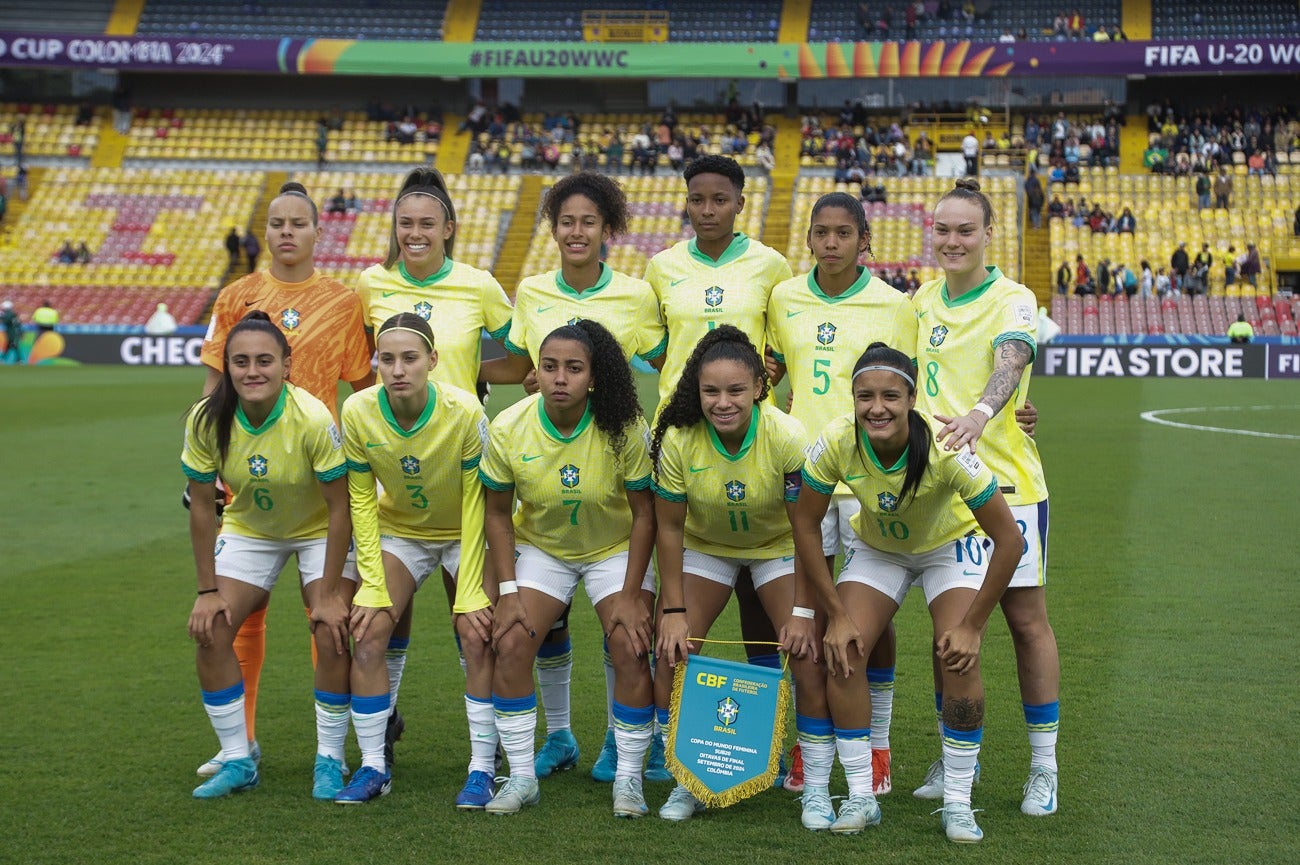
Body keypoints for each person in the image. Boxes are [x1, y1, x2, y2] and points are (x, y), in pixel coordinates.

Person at [792, 341, 1020, 841]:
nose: (877, 408)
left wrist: (972, 626)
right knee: (844, 649)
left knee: (958, 657)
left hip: (947, 545)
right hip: (880, 549)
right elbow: (805, 524)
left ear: (911, 399)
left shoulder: (946, 447)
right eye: (865, 396)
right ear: (852, 399)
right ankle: (861, 796)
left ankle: (958, 802)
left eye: (891, 396)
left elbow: (1010, 540)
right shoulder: (836, 440)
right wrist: (835, 614)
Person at [193, 182, 373, 780]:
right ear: (265, 231)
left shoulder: (342, 301)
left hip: (322, 475)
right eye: (277, 223)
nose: (287, 231)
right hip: (251, 473)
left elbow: (362, 391)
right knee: (241, 616)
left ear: (319, 232)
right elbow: (215, 385)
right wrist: (209, 467)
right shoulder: (236, 296)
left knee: (329, 618)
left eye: (299, 222)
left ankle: (337, 748)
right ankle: (239, 742)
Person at [503, 171, 668, 782]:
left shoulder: (635, 295)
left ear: (607, 230)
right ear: (553, 229)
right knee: (544, 625)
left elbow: (666, 358)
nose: (577, 231)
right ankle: (560, 735)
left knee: (623, 627)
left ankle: (623, 742)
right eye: (566, 221)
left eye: (588, 222)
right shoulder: (530, 292)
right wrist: (537, 378)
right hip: (547, 462)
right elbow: (519, 366)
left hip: (610, 468)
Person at [353, 166, 521, 767]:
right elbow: (364, 363)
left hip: (464, 465)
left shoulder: (478, 285)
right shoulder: (371, 284)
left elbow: (522, 358)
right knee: (384, 618)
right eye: (406, 224)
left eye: (427, 223)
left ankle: (488, 749)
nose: (415, 233)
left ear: (449, 228)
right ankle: (383, 725)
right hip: (401, 470)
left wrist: (472, 373)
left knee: (474, 621)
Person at [642, 154, 797, 784]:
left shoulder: (770, 265)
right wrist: (695, 399)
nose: (707, 210)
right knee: (669, 621)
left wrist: (748, 391)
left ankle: (769, 744)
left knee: (765, 630)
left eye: (719, 199)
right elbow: (659, 350)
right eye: (697, 199)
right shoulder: (662, 267)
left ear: (739, 203)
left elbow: (780, 350)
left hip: (752, 445)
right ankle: (667, 746)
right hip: (686, 442)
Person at [910, 179, 1060, 822]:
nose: (953, 241)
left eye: (965, 230)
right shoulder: (920, 300)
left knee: (1026, 623)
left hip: (1007, 486)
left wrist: (982, 413)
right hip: (937, 489)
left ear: (988, 235)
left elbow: (1011, 359)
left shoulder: (1013, 298)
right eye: (943, 229)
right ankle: (955, 758)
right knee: (947, 630)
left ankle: (1044, 767)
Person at [765, 192, 916, 797]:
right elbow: (773, 371)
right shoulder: (784, 298)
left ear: (864, 240)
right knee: (808, 611)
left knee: (867, 613)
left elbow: (913, 388)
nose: (831, 243)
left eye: (843, 233)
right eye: (821, 232)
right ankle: (810, 745)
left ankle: (876, 744)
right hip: (803, 471)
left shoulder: (894, 305)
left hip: (866, 474)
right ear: (808, 238)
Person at [650, 325, 828, 826]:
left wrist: (802, 612)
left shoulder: (786, 436)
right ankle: (686, 777)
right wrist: (673, 611)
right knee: (671, 651)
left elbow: (806, 528)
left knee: (807, 655)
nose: (722, 402)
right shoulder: (679, 438)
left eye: (735, 390)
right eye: (710, 391)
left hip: (777, 548)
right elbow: (669, 528)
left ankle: (815, 787)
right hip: (709, 547)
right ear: (696, 390)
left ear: (758, 387)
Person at [480, 320, 657, 818]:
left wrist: (630, 594)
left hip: (613, 548)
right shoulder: (509, 425)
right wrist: (508, 591)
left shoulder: (624, 426)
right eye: (550, 366)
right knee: (510, 642)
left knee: (629, 643)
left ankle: (628, 779)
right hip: (545, 549)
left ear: (593, 377)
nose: (560, 378)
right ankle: (521, 778)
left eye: (574, 368)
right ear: (535, 371)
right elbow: (498, 514)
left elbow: (645, 515)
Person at [181, 310, 355, 800]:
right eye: (241, 362)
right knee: (212, 629)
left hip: (318, 529)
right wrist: (207, 591)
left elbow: (340, 509)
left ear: (286, 365)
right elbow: (202, 507)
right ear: (228, 367)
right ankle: (239, 757)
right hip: (251, 529)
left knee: (330, 630)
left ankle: (330, 758)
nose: (252, 371)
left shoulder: (313, 417)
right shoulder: (206, 418)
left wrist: (327, 595)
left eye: (264, 361)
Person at [335, 313, 493, 807]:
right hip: (402, 531)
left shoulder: (464, 411)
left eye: (410, 358)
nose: (398, 370)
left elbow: (478, 500)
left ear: (433, 360)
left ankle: (483, 768)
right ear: (376, 363)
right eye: (387, 359)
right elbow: (361, 499)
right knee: (368, 631)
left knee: (477, 633)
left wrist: (470, 589)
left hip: (464, 531)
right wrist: (372, 584)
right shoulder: (358, 410)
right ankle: (373, 766)